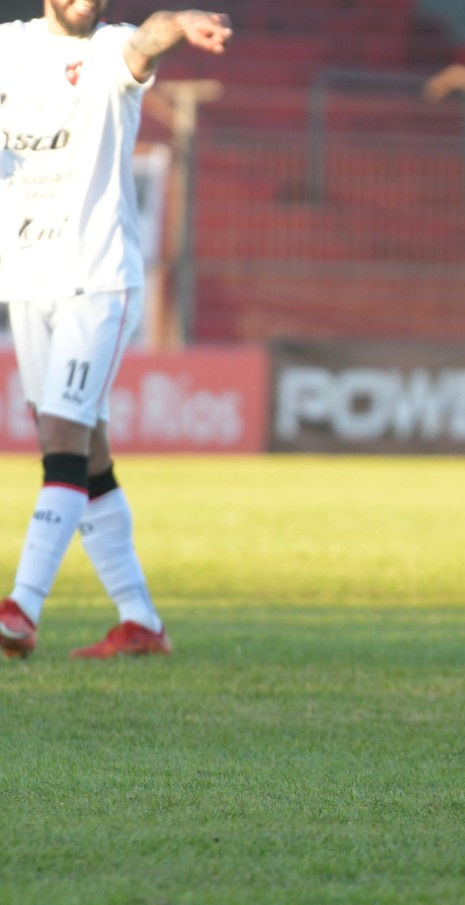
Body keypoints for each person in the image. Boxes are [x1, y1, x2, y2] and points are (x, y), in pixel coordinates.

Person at [0, 3, 230, 659]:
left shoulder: (110, 51)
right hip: (27, 279)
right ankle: (141, 622)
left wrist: (180, 24)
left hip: (97, 280)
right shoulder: (9, 49)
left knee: (62, 440)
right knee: (84, 449)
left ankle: (22, 607)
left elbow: (147, 40)